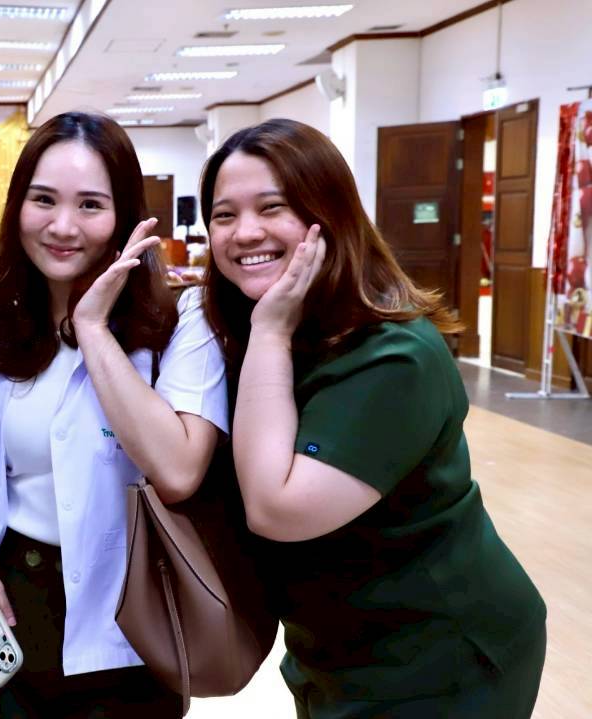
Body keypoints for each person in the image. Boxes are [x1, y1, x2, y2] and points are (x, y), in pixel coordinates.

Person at [200, 118, 547, 717]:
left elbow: (276, 509)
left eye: (272, 207)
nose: (244, 232)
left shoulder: (393, 357)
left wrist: (270, 332)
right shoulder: (284, 333)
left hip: (439, 658)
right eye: (224, 214)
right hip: (337, 650)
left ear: (329, 214)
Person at [0, 111, 229, 717]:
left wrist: (91, 327)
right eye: (43, 200)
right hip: (8, 607)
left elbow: (177, 471)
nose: (63, 226)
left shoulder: (181, 325)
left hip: (132, 622)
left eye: (91, 205)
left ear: (125, 216)